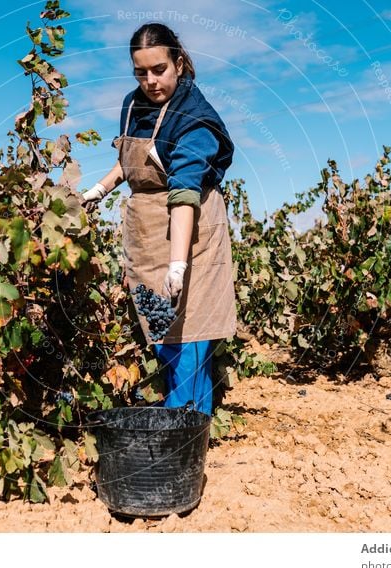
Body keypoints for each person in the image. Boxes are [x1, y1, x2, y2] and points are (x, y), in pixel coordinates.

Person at [81, 22, 237, 416]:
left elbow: (184, 193)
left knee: (189, 335)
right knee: (161, 331)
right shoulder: (133, 105)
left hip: (192, 232)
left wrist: (179, 264)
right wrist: (98, 190)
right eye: (141, 72)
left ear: (179, 63)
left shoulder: (195, 119)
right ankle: (176, 411)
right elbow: (127, 162)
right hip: (149, 231)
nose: (150, 81)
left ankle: (188, 423)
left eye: (159, 70)